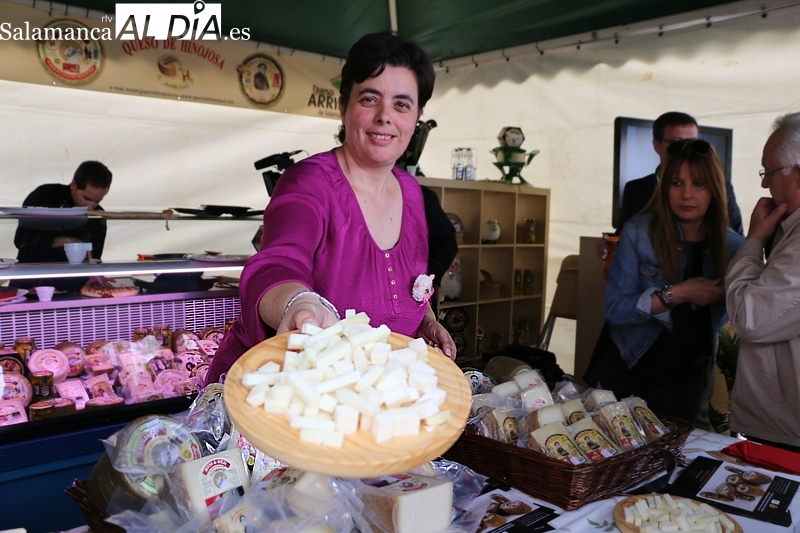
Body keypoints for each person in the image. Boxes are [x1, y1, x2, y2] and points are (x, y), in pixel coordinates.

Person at [206, 32, 455, 385]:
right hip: (283, 393)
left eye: (402, 104)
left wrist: (425, 319)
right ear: (343, 106)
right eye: (369, 99)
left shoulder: (412, 192)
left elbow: (409, 280)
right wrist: (299, 305)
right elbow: (278, 262)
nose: (385, 116)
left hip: (368, 394)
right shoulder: (308, 182)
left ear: (417, 116)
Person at [585, 139, 744, 424]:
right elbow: (615, 309)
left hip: (687, 379)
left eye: (698, 184)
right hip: (630, 367)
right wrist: (678, 293)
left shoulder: (733, 246)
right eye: (676, 183)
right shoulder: (639, 232)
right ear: (664, 187)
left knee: (676, 449)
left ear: (715, 189)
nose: (686, 194)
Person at [725, 112, 800, 452]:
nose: (764, 185)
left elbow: (748, 317)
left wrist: (754, 239)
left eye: (768, 172)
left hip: (788, 427)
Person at [619, 112, 743, 234]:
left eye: (693, 143)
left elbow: (737, 237)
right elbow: (622, 235)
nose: (687, 150)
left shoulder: (722, 187)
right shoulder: (635, 189)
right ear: (657, 146)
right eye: (677, 144)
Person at [13, 160, 112, 292]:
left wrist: (95, 273)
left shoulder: (97, 216)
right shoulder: (45, 195)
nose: (90, 207)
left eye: (97, 201)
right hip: (31, 281)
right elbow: (22, 240)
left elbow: (94, 256)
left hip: (74, 286)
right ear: (73, 185)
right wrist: (66, 241)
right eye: (86, 198)